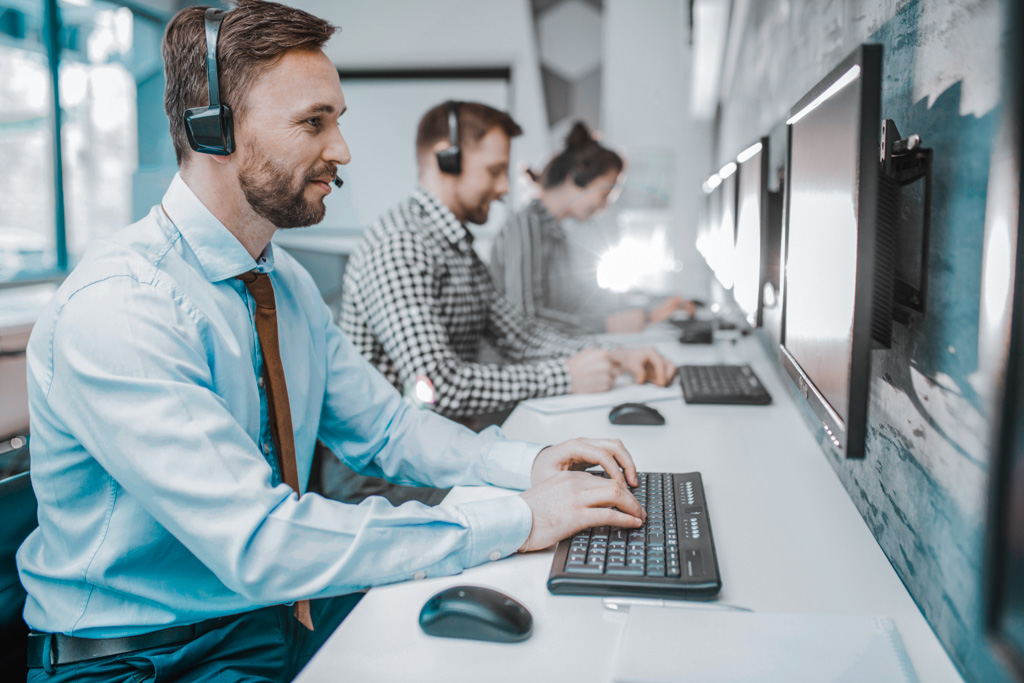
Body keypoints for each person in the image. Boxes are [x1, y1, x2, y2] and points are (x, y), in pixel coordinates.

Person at [17, 2, 647, 680]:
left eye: (337, 120)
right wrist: (518, 519)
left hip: (268, 615)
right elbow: (261, 542)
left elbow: (388, 428)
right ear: (214, 130)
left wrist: (528, 465)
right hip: (146, 659)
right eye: (314, 122)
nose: (342, 150)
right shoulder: (122, 308)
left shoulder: (279, 280)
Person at [339, 103, 677, 427]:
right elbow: (436, 385)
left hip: (443, 445)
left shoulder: (456, 246)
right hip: (387, 475)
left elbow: (522, 336)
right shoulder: (401, 244)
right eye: (494, 171)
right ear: (446, 158)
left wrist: (616, 356)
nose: (504, 188)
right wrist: (566, 376)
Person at [490, 121, 695, 336]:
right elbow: (526, 321)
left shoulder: (553, 232)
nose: (604, 207)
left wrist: (654, 305)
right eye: (604, 195)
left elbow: (581, 300)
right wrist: (608, 325)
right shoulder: (527, 227)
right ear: (579, 176)